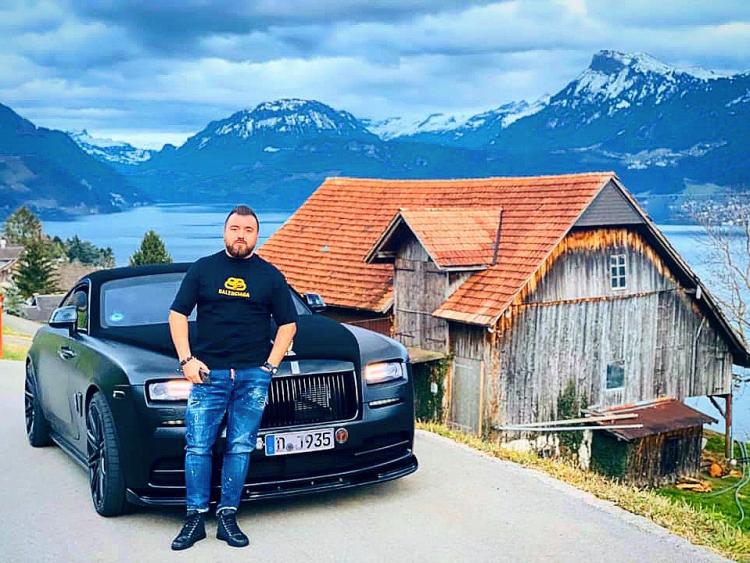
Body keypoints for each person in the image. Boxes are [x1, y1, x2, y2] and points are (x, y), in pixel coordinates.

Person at [167, 204, 298, 550]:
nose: (241, 235)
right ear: (225, 232)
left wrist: (269, 367)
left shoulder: (270, 276)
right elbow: (177, 314)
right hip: (208, 376)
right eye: (235, 229)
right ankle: (195, 518)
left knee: (239, 446)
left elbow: (288, 324)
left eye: (248, 230)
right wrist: (186, 360)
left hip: (253, 377)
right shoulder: (203, 269)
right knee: (198, 446)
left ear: (257, 235)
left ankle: (227, 516)